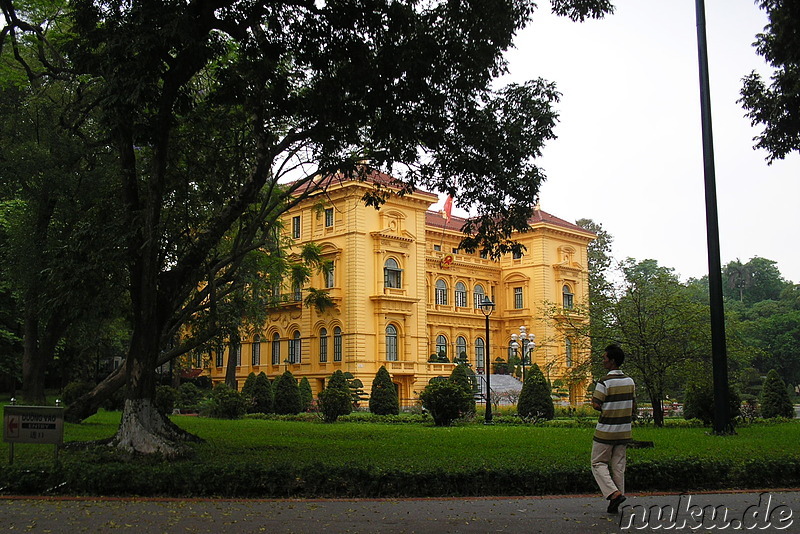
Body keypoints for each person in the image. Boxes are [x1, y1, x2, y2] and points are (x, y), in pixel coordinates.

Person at [591, 344, 636, 514]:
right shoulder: (630, 381)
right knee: (618, 465)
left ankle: (613, 493)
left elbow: (596, 404)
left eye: (605, 358)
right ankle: (616, 500)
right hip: (624, 430)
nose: (603, 361)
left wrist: (605, 409)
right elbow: (633, 406)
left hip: (606, 431)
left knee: (597, 463)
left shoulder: (604, 382)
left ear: (612, 361)